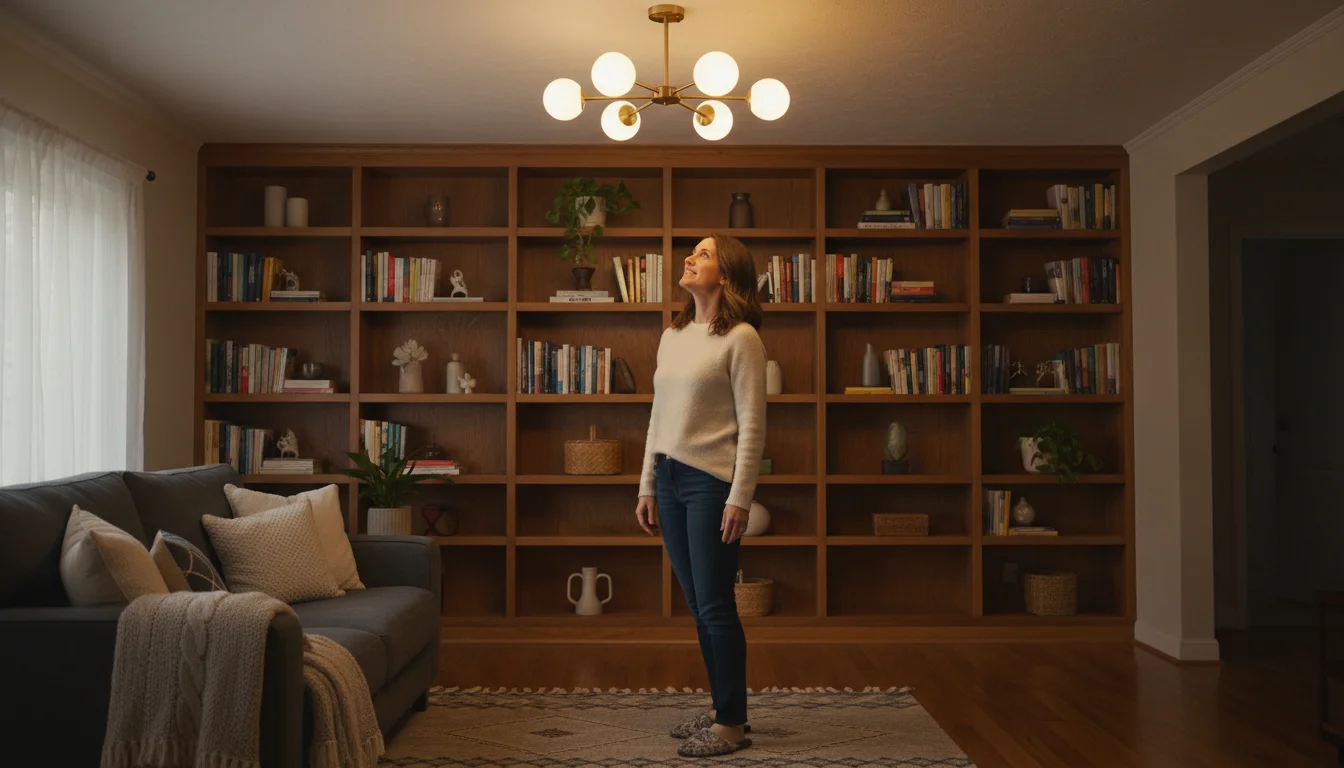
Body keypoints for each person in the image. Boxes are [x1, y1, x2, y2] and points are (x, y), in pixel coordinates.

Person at [635, 233, 766, 758]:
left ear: (727, 275)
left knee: (715, 605)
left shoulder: (743, 340)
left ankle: (732, 725)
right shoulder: (673, 335)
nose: (690, 258)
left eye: (704, 254)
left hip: (710, 482)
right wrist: (646, 483)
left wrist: (740, 497)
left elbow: (753, 427)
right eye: (692, 252)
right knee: (697, 603)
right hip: (668, 477)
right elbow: (657, 417)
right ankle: (720, 708)